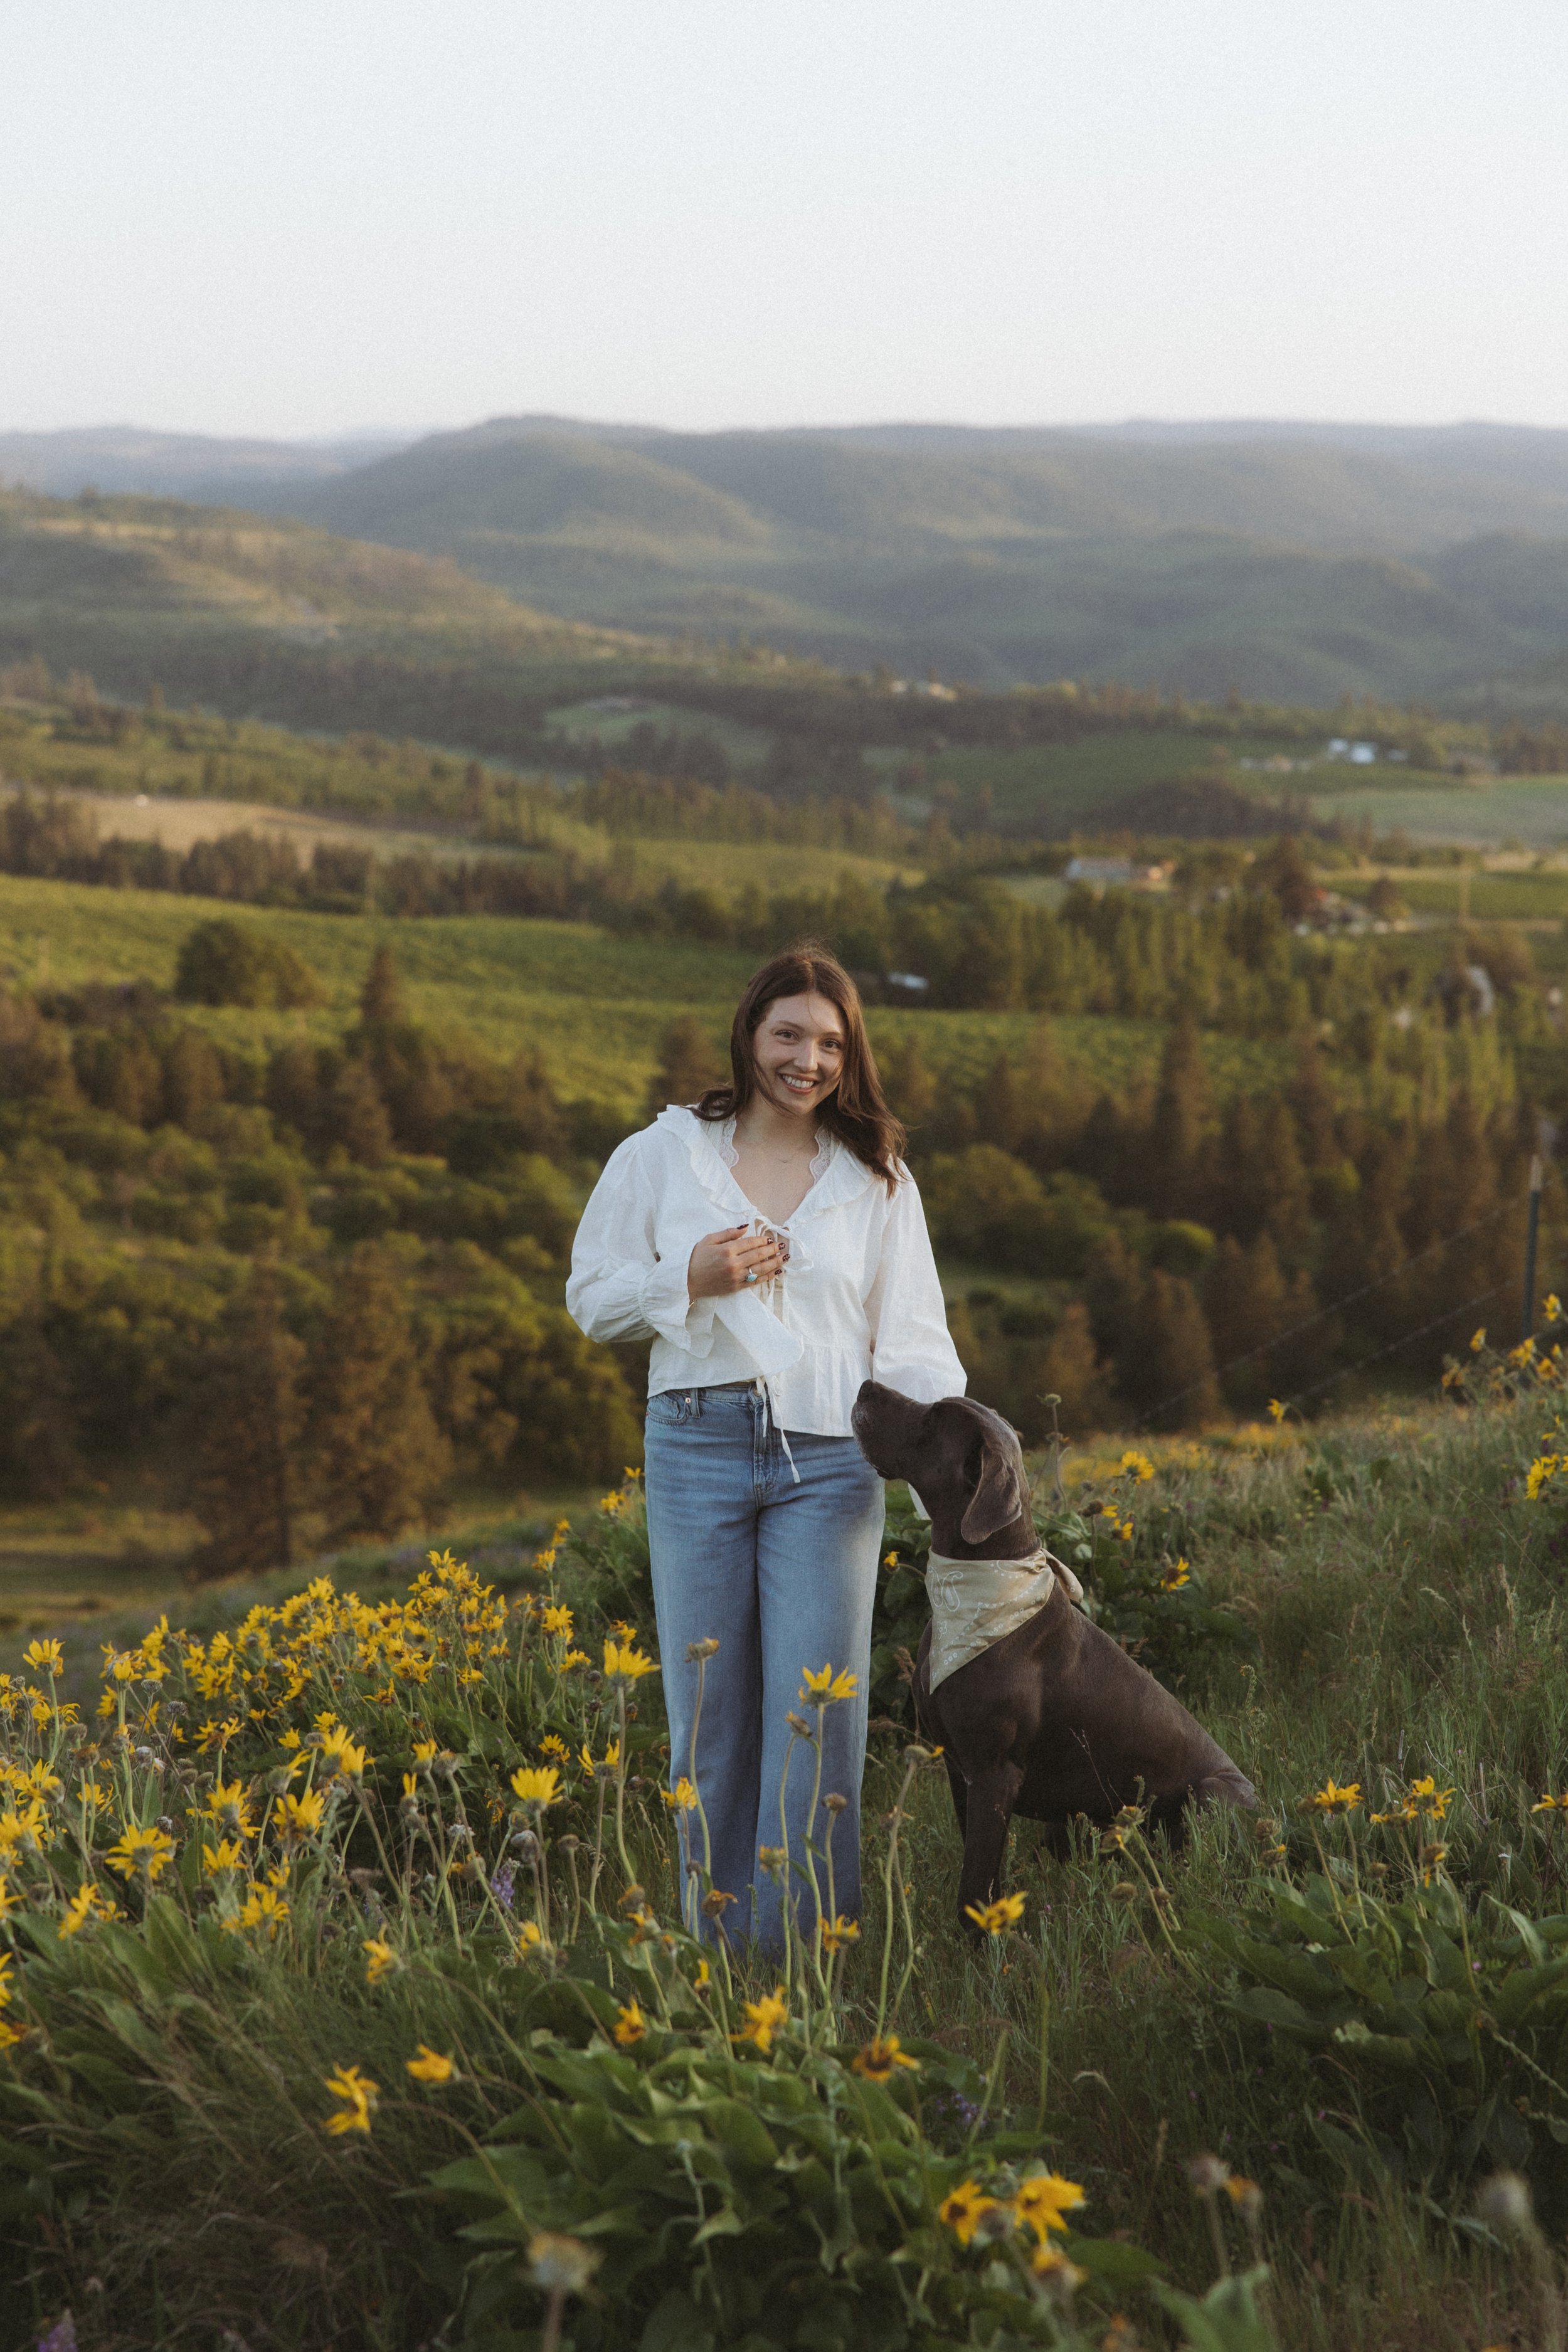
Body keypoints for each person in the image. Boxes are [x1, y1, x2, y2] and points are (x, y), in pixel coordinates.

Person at [566, 945, 965, 1951]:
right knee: (709, 1724)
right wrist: (686, 1275)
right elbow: (591, 1300)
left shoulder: (876, 1179)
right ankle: (721, 1966)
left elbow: (914, 1347)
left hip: (831, 1463)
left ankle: (810, 1966)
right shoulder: (661, 1155)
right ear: (749, 1032)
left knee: (818, 1723)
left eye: (831, 1042)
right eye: (789, 1033)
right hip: (694, 1448)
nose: (809, 1058)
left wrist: (956, 1509)